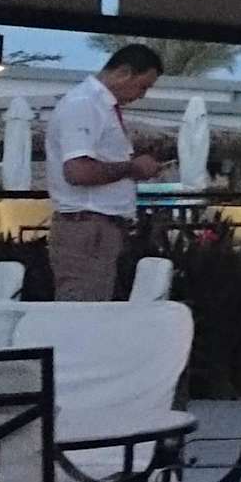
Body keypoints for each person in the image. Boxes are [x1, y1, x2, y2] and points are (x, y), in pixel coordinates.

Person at [46, 44, 165, 300]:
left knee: (96, 309)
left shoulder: (100, 107)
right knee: (83, 312)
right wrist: (132, 167)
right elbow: (78, 172)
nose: (141, 95)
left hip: (99, 228)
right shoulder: (83, 104)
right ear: (124, 72)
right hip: (88, 227)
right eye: (142, 86)